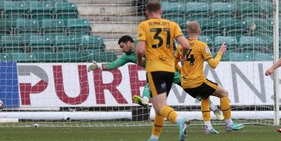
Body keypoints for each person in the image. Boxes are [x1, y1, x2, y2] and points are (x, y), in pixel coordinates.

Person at [87, 35, 224, 120]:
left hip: (171, 70)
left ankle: (215, 109)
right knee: (149, 85)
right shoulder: (127, 56)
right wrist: (98, 66)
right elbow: (114, 65)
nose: (122, 50)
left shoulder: (143, 43)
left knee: (195, 91)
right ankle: (145, 100)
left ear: (129, 42)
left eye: (123, 46)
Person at [174, 21, 245, 134]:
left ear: (186, 31)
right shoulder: (202, 45)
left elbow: (173, 64)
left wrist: (182, 71)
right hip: (197, 81)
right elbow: (213, 64)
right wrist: (220, 52)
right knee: (224, 93)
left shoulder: (181, 46)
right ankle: (229, 124)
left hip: (185, 83)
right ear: (199, 31)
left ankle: (208, 127)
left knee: (205, 97)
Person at [137, 0, 190, 141]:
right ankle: (154, 139)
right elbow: (185, 45)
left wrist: (140, 61)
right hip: (169, 69)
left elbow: (140, 50)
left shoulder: (144, 25)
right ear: (161, 11)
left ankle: (179, 120)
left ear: (147, 12)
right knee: (159, 105)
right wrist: (182, 56)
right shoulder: (172, 25)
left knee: (160, 107)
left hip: (155, 69)